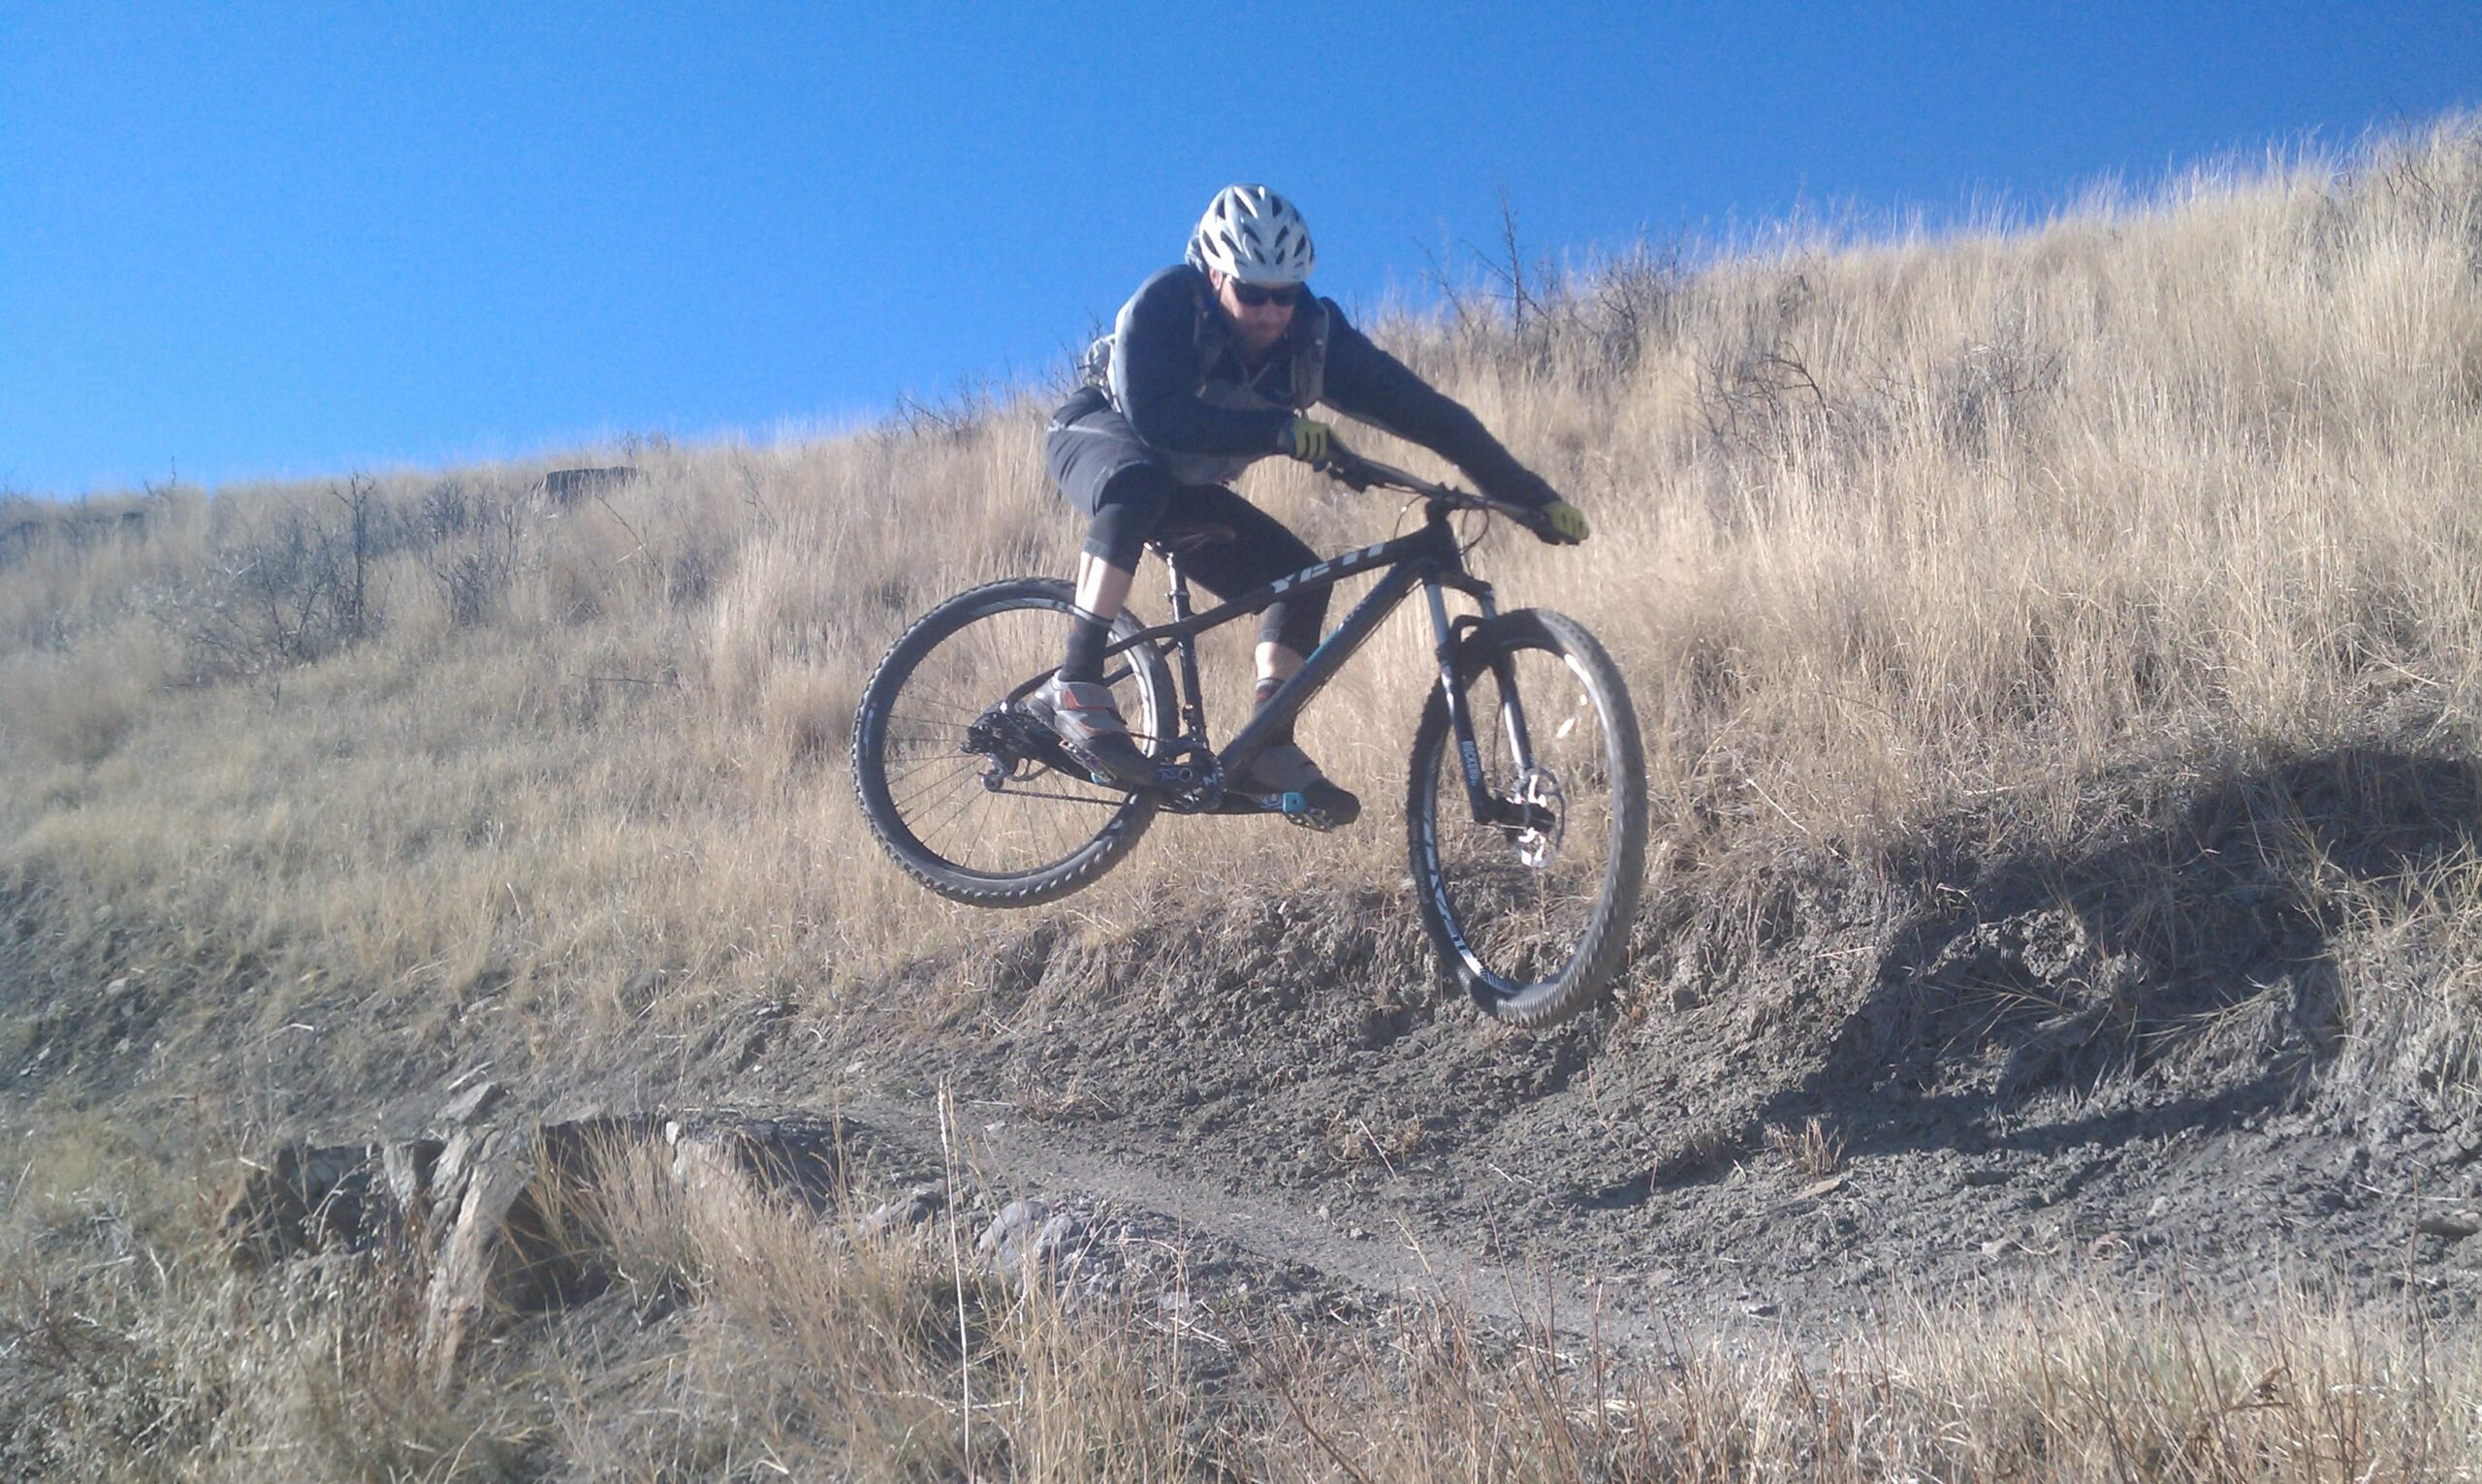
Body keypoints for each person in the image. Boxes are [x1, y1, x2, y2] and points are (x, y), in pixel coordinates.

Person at [1032, 183, 1590, 828]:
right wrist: (1276, 431)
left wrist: (1532, 496)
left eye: (1286, 293)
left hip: (1185, 486)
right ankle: (1075, 681)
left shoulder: (1316, 339)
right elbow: (1158, 418)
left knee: (1299, 579)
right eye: (1253, 292)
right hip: (1099, 433)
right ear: (1214, 274)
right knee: (1139, 483)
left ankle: (1268, 743)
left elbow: (1434, 418)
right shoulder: (1165, 305)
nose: (1272, 311)